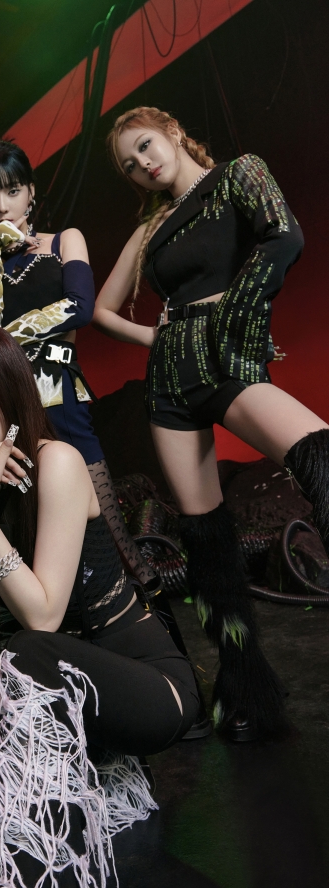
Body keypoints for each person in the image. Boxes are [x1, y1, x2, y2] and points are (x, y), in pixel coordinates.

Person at [0, 321, 199, 888]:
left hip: (152, 688)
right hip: (68, 690)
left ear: (11, 389)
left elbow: (41, 621)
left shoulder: (59, 463)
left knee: (32, 649)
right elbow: (0, 632)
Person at [93, 105, 326, 741]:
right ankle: (246, 688)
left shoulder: (237, 175)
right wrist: (155, 335)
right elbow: (99, 310)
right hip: (170, 381)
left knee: (320, 462)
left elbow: (284, 237)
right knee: (206, 542)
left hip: (226, 362)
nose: (143, 164)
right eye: (129, 164)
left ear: (171, 130)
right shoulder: (151, 228)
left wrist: (236, 311)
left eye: (145, 146)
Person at [0, 141, 206, 720]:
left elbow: (83, 308)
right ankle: (72, 700)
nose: (1, 205)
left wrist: (14, 332)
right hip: (10, 425)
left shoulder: (64, 241)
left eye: (12, 190)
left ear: (31, 192)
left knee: (118, 545)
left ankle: (178, 680)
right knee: (33, 559)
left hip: (65, 410)